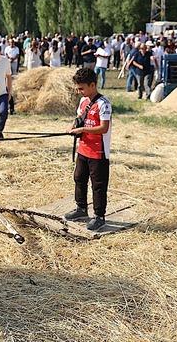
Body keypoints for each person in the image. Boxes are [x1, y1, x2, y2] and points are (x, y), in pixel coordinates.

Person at [65, 68, 112, 231]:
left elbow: (103, 128)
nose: (79, 91)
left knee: (98, 185)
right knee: (79, 178)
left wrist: (83, 130)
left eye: (81, 88)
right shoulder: (83, 101)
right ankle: (81, 208)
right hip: (83, 149)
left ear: (92, 85)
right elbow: (80, 118)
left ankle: (99, 216)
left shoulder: (103, 103)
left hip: (98, 152)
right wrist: (74, 126)